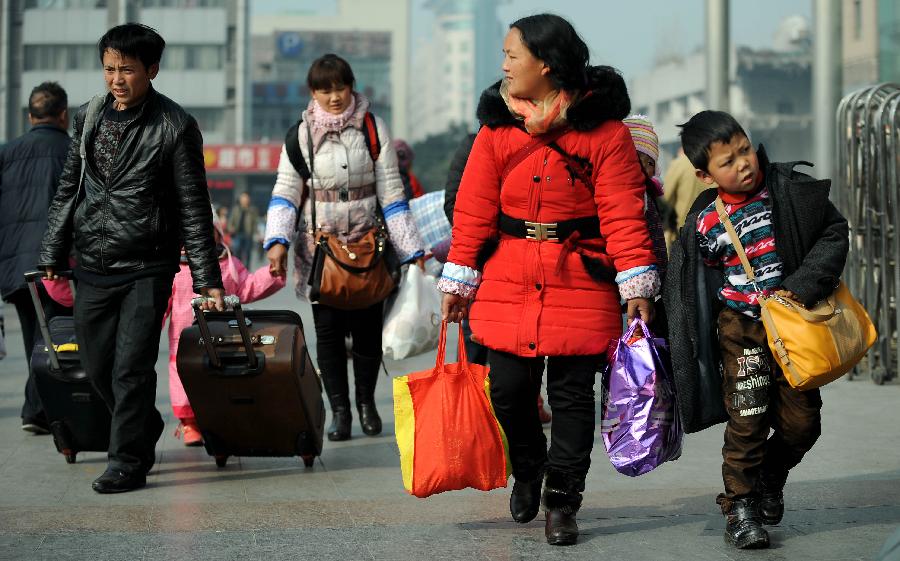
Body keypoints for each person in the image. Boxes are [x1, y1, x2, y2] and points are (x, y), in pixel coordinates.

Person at [439, 14, 659, 546]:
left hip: (579, 274)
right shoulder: (495, 133)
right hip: (508, 277)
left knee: (573, 398)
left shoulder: (605, 136)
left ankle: (563, 500)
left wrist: (636, 286)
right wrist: (458, 281)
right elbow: (471, 213)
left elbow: (623, 215)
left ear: (545, 64)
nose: (504, 65)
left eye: (512, 55)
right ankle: (529, 468)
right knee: (509, 394)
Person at [38, 23, 225, 494]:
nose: (116, 78)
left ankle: (128, 461)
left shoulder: (175, 126)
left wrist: (208, 280)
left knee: (130, 367)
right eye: (108, 68)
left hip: (148, 265)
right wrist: (53, 250)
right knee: (98, 366)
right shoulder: (87, 117)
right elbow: (70, 187)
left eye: (126, 69)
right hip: (92, 264)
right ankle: (144, 427)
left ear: (152, 70)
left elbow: (192, 205)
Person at [670, 110, 848, 549]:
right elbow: (696, 282)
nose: (743, 164)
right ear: (704, 174)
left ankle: (771, 474)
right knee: (746, 420)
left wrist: (800, 287)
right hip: (741, 330)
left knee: (803, 423)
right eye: (727, 161)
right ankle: (742, 505)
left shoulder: (787, 191)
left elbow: (834, 230)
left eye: (744, 150)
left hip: (793, 325)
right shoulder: (704, 223)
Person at [264, 53, 425, 442]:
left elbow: (392, 193)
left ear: (351, 86)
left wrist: (412, 251)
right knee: (330, 335)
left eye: (339, 87)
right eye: (324, 89)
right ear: (313, 92)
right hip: (320, 252)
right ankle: (340, 413)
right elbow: (286, 192)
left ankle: (366, 404)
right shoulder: (300, 135)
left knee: (369, 335)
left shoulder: (373, 128)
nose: (333, 96)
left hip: (369, 247)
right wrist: (277, 242)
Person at [166, 220, 284, 446]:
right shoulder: (174, 267)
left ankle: (226, 417)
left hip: (225, 338)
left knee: (225, 377)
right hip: (185, 338)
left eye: (208, 235)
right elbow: (161, 302)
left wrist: (271, 273)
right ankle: (189, 423)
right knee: (183, 378)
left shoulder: (228, 264)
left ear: (219, 236)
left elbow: (247, 287)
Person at [0, 81, 72, 434]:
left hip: (15, 264)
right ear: (64, 115)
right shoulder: (74, 152)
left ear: (30, 116)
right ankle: (40, 409)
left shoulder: (7, 153)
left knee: (34, 335)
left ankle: (38, 410)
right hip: (58, 266)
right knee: (55, 335)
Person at [663, 147, 711, 244]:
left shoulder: (678, 164)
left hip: (685, 231)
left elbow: (665, 201)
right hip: (712, 228)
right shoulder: (711, 162)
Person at [228, 192, 259, 266]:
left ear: (249, 199)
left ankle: (246, 269)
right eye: (243, 197)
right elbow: (230, 221)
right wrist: (230, 228)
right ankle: (238, 268)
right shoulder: (236, 209)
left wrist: (256, 233)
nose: (244, 199)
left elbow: (255, 223)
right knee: (237, 251)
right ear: (240, 199)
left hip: (248, 235)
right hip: (237, 234)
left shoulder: (252, 210)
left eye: (246, 198)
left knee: (247, 253)